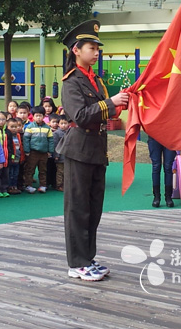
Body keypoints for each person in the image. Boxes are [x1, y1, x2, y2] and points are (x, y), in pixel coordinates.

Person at [59, 20, 128, 281]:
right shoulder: (71, 82)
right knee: (77, 208)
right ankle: (76, 262)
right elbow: (80, 114)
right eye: (91, 47)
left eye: (97, 48)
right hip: (79, 148)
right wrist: (110, 102)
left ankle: (88, 258)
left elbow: (102, 110)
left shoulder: (95, 80)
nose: (96, 52)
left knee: (93, 207)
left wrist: (117, 103)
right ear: (76, 50)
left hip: (96, 149)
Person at [23, 106, 54, 194]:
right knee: (30, 169)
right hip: (33, 152)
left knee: (43, 170)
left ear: (44, 116)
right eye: (36, 116)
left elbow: (51, 140)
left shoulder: (47, 128)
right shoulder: (29, 127)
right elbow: (26, 139)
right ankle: (28, 186)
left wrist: (50, 151)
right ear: (33, 116)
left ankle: (43, 185)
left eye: (40, 116)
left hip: (44, 153)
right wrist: (27, 151)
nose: (38, 118)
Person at [147, 136, 176, 208]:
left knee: (168, 167)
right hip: (154, 136)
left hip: (170, 137)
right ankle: (156, 197)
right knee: (156, 166)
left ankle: (168, 197)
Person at [52, 116, 70, 192]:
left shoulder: (70, 132)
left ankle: (66, 184)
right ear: (58, 124)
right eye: (61, 123)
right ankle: (59, 185)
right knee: (60, 172)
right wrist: (56, 155)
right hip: (60, 156)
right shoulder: (56, 133)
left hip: (68, 156)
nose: (63, 125)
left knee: (67, 172)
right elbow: (55, 145)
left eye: (65, 123)